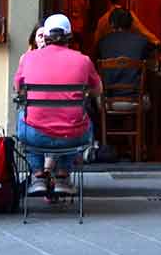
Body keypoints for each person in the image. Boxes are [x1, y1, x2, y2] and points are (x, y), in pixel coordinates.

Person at [13, 13, 102, 196]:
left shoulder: (28, 59)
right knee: (75, 121)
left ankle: (38, 175)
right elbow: (98, 90)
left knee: (24, 116)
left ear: (45, 36)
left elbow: (18, 90)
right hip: (73, 136)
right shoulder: (83, 60)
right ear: (69, 37)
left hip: (35, 135)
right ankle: (62, 176)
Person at [95, 8, 153, 91]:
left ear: (111, 24)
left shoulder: (102, 43)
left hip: (108, 98)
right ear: (131, 23)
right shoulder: (142, 41)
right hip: (136, 98)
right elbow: (150, 67)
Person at [91, 0, 161, 51]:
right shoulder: (128, 15)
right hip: (126, 53)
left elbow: (97, 40)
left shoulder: (102, 19)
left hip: (107, 57)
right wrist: (156, 41)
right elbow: (141, 30)